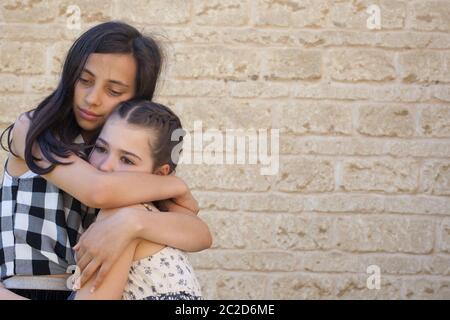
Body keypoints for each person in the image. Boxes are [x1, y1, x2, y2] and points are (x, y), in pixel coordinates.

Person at [0, 21, 211, 300]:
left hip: (88, 288)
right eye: (84, 80)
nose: (92, 98)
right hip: (26, 287)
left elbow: (199, 234)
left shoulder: (116, 159)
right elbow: (97, 190)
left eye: (113, 91)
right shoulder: (33, 129)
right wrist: (176, 185)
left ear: (134, 99)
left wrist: (132, 221)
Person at [71, 100, 202, 300]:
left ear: (159, 173)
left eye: (127, 160)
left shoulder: (118, 216)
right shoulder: (151, 216)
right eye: (101, 148)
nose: (105, 166)